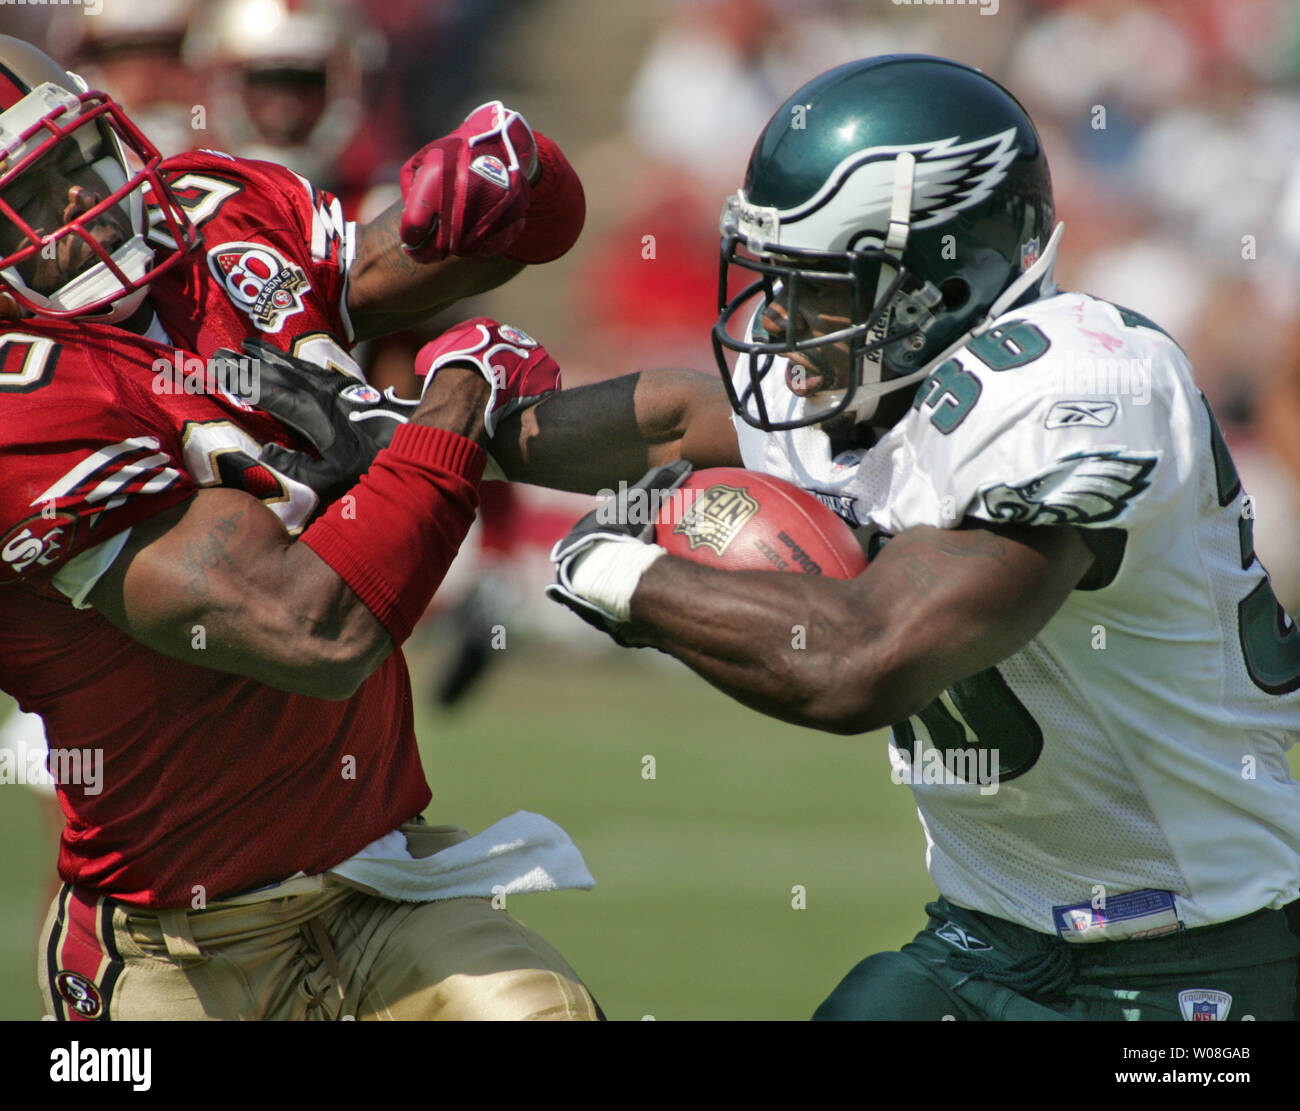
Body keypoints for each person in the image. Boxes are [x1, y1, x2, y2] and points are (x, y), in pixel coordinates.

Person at [282, 54, 1300, 1020]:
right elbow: (676, 418)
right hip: (991, 942)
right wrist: (422, 429)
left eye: (818, 284)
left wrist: (621, 571)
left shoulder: (1083, 385)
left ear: (941, 280)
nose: (778, 321)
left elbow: (862, 661)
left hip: (1209, 953)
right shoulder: (897, 379)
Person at [0, 34, 599, 1020]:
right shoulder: (25, 402)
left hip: (377, 883)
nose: (78, 200)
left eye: (77, 159)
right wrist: (459, 395)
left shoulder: (206, 209)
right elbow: (308, 630)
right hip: (173, 949)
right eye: (30, 190)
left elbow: (458, 244)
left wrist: (516, 180)